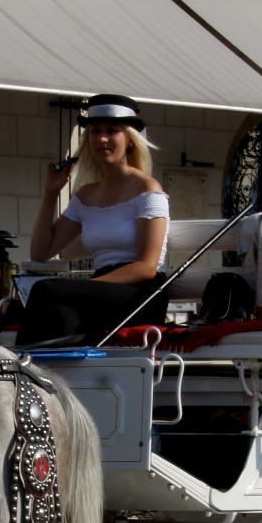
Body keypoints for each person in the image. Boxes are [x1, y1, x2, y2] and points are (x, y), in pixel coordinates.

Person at [18, 95, 171, 347]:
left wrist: (85, 286)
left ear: (130, 140)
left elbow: (147, 267)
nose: (102, 139)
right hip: (101, 291)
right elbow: (41, 252)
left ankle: (16, 368)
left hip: (141, 293)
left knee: (48, 291)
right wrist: (51, 193)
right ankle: (52, 380)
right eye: (95, 131)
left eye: (112, 131)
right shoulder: (85, 195)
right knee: (59, 314)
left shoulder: (147, 189)